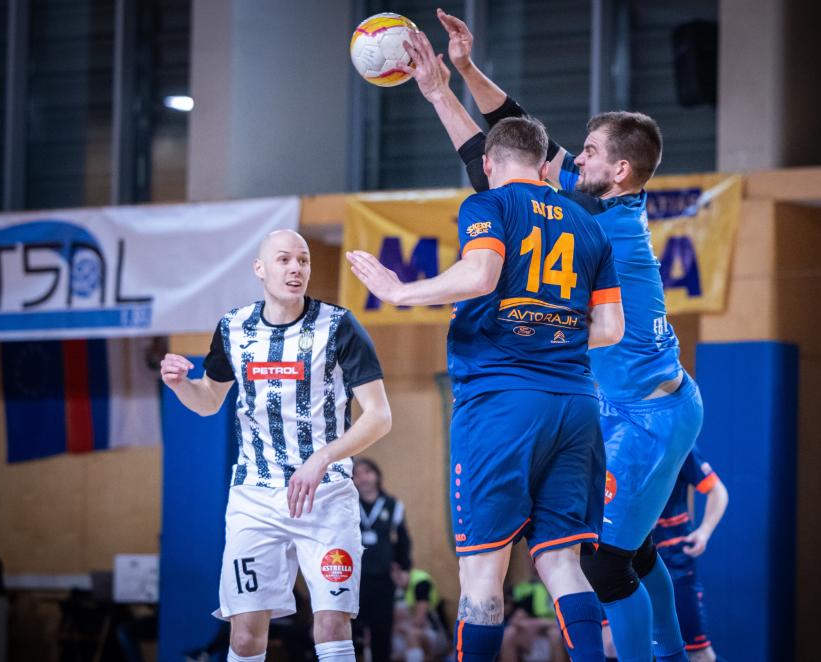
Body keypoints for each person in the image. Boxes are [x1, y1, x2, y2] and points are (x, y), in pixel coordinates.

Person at [403, 15, 704, 661]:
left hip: (650, 412)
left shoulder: (597, 219)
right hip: (615, 402)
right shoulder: (598, 204)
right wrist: (463, 71)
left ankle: (669, 656)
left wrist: (441, 91)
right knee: (623, 553)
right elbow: (516, 141)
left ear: (619, 169)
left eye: (587, 152)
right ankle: (685, 654)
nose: (573, 158)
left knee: (605, 564)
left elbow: (500, 165)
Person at [347, 116, 624, 662]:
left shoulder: (488, 204)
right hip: (575, 404)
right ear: (544, 166)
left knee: (481, 571)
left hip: (501, 403)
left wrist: (399, 292)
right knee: (562, 562)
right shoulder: (589, 223)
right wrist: (553, 331)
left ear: (490, 163)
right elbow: (612, 328)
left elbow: (480, 275)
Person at [160, 229, 392, 662]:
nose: (296, 268)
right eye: (284, 259)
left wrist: (322, 458)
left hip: (326, 494)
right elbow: (208, 401)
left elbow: (380, 416)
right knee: (244, 635)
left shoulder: (339, 326)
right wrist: (179, 386)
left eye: (303, 260)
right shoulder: (233, 327)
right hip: (255, 496)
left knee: (332, 624)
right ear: (260, 269)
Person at [653, 449, 729, 662]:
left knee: (697, 652)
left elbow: (717, 491)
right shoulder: (610, 437)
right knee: (611, 642)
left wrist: (704, 532)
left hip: (672, 560)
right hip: (622, 558)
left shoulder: (677, 441)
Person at [352, 457, 413, 662]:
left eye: (367, 472)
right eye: (357, 474)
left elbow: (403, 540)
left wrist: (404, 568)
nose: (363, 478)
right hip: (354, 579)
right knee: (352, 631)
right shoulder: (348, 505)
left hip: (383, 578)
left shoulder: (392, 504)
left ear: (377, 475)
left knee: (382, 631)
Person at [391, 566, 450, 662]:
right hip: (411, 632)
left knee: (412, 635)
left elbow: (419, 621)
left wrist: (402, 627)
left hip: (436, 633)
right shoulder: (399, 589)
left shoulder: (420, 582)